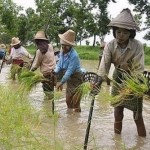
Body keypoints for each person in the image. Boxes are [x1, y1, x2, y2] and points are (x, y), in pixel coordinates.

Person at [97, 8, 146, 137]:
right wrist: (98, 81)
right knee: (117, 112)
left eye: (125, 33)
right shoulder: (110, 45)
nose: (120, 36)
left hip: (134, 81)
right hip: (118, 78)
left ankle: (142, 139)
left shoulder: (137, 46)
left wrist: (130, 88)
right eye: (118, 32)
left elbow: (138, 69)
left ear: (131, 33)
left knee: (137, 115)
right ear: (114, 32)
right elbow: (104, 64)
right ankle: (116, 141)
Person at [54, 29, 83, 112]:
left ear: (70, 46)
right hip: (69, 79)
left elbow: (69, 72)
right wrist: (55, 72)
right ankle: (70, 118)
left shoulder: (74, 56)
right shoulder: (62, 52)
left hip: (77, 78)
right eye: (62, 45)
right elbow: (59, 65)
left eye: (66, 46)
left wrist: (61, 82)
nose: (63, 47)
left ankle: (76, 118)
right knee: (68, 100)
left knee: (76, 101)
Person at [30, 30, 56, 98]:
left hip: (47, 75)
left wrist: (30, 72)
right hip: (54, 74)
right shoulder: (50, 46)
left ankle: (48, 107)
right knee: (51, 92)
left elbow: (36, 65)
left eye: (38, 43)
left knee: (48, 94)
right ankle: (50, 106)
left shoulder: (39, 52)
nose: (38, 44)